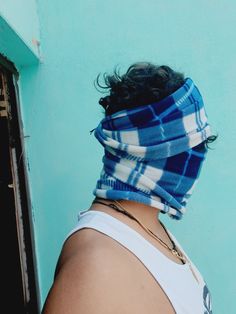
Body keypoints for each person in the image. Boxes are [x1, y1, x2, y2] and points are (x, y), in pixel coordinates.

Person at [42, 62, 217, 313]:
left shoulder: (147, 226)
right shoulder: (97, 267)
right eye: (193, 147)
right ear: (147, 152)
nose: (199, 158)